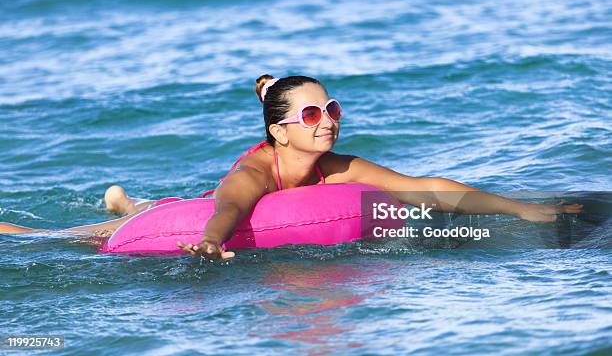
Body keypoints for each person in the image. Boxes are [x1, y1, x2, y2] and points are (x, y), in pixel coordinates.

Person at [0, 75, 582, 259]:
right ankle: (33, 226)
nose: (327, 119)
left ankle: (132, 201)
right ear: (280, 131)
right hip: (205, 210)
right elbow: (230, 206)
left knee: (153, 206)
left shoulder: (338, 167)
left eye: (331, 107)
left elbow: (425, 188)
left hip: (215, 207)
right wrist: (207, 241)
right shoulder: (256, 171)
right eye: (311, 112)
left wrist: (528, 210)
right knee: (68, 239)